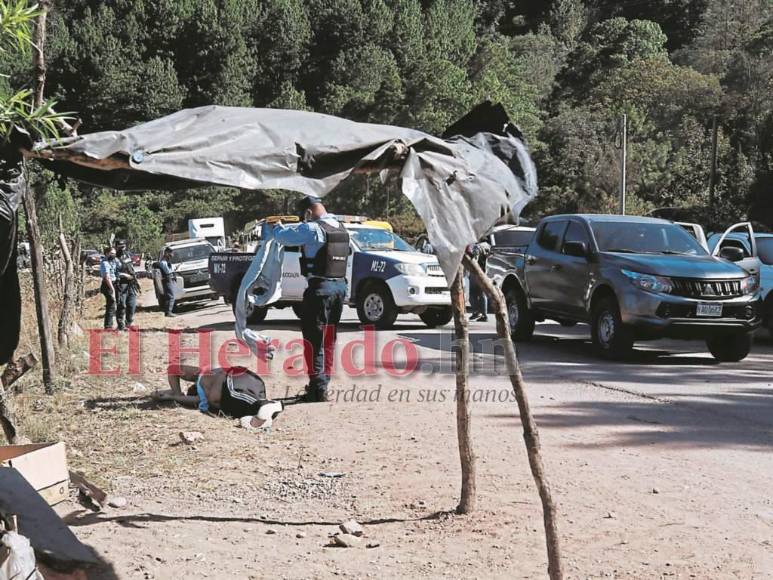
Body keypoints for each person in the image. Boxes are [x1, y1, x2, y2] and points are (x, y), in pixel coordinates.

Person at [269, 196, 349, 402]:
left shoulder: (313, 228)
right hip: (339, 289)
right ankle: (323, 385)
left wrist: (275, 227)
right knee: (329, 339)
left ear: (308, 212)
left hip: (320, 290)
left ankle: (317, 390)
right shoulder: (340, 227)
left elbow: (283, 237)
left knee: (313, 340)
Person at [154, 365, 284, 428]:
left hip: (234, 383)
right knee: (244, 397)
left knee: (243, 397)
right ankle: (263, 409)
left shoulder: (203, 391)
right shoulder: (203, 378)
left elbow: (173, 370)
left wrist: (174, 395)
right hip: (243, 380)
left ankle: (263, 407)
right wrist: (174, 394)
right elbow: (173, 369)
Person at [115, 239, 140, 330]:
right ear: (116, 247)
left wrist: (135, 279)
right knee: (121, 304)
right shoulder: (114, 258)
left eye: (124, 246)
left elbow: (131, 267)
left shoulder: (128, 255)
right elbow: (113, 272)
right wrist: (124, 275)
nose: (122, 248)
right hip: (121, 283)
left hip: (131, 283)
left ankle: (129, 322)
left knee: (132, 304)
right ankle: (120, 325)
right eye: (120, 246)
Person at [468, 240, 491, 322]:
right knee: (482, 294)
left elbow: (474, 259)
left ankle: (476, 312)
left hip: (476, 272)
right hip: (485, 272)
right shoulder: (488, 246)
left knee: (472, 294)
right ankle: (484, 315)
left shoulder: (477, 247)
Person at [99, 246, 119, 329]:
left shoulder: (113, 261)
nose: (114, 255)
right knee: (111, 305)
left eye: (114, 254)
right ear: (107, 253)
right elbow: (107, 277)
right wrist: (112, 289)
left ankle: (110, 324)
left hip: (113, 283)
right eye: (112, 253)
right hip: (108, 285)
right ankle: (108, 326)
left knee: (112, 305)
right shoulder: (105, 263)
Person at [158, 247, 177, 317]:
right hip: (167, 280)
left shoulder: (166, 261)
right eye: (170, 253)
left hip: (169, 280)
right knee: (171, 296)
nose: (172, 255)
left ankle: (168, 312)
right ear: (166, 253)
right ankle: (168, 312)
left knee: (170, 296)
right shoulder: (163, 262)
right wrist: (173, 271)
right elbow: (167, 272)